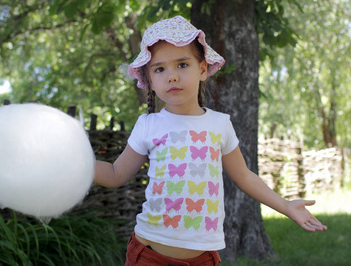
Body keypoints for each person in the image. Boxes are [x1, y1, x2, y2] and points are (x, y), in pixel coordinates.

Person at [94, 15, 327, 266]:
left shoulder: (219, 124)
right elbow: (116, 174)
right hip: (149, 256)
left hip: (203, 260)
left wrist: (286, 206)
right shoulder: (148, 125)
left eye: (182, 65)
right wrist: (75, 160)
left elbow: (245, 176)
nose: (171, 76)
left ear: (203, 69)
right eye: (160, 69)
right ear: (150, 80)